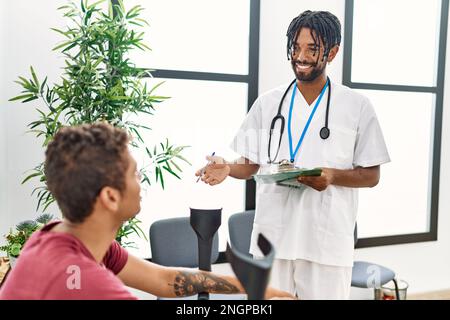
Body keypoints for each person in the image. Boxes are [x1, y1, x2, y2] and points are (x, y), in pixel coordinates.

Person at [196, 10, 390, 299]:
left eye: (312, 49)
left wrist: (332, 176)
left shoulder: (357, 106)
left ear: (332, 53)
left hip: (326, 241)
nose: (301, 56)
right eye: (295, 47)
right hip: (274, 237)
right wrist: (227, 168)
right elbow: (250, 163)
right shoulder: (268, 103)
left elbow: (372, 175)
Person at [0, 123, 293, 300]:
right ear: (110, 197)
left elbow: (164, 280)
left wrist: (253, 287)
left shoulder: (54, 236)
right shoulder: (91, 285)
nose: (141, 183)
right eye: (135, 175)